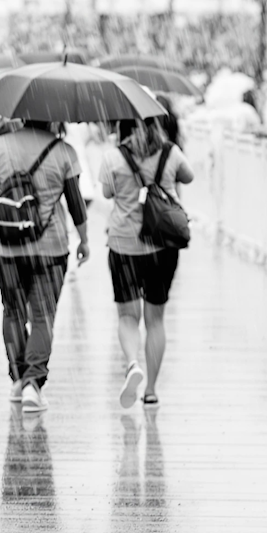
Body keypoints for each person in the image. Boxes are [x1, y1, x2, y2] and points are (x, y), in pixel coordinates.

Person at [0, 119, 89, 415]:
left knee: (12, 311)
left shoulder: (0, 144)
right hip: (50, 247)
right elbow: (76, 203)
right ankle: (32, 385)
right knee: (43, 315)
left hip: (5, 246)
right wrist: (85, 240)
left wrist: (8, 202)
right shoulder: (64, 150)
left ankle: (18, 378)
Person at [98, 117, 194, 409]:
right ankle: (151, 390)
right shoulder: (170, 151)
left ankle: (132, 364)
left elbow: (106, 193)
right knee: (156, 319)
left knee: (128, 317)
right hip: (161, 246)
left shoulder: (113, 157)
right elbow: (188, 176)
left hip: (124, 245)